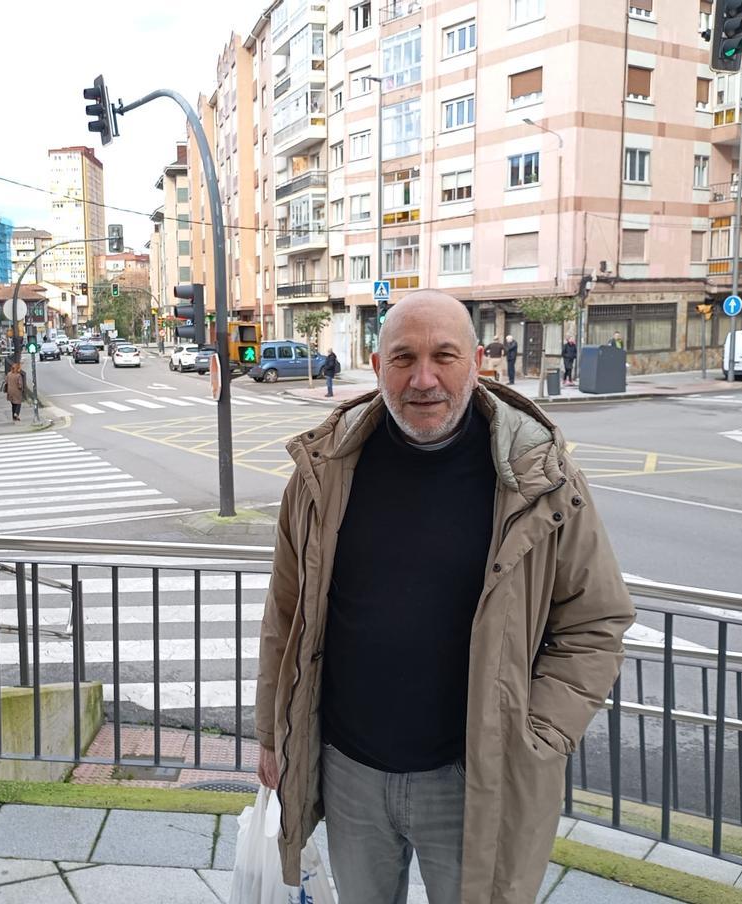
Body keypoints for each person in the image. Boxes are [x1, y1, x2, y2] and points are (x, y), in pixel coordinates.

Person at [255, 289, 633, 904]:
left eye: (444, 355)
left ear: (477, 362)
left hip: (474, 778)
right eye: (402, 358)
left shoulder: (539, 476)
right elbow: (286, 610)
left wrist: (535, 732)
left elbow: (595, 623)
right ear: (376, 367)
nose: (423, 378)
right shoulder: (325, 470)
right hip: (349, 771)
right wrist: (273, 732)